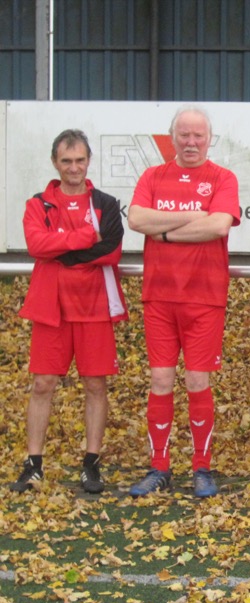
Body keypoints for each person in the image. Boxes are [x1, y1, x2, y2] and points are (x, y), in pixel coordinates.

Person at [126, 107, 241, 498]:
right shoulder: (152, 176)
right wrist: (192, 215)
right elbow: (137, 219)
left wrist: (169, 232)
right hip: (159, 296)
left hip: (204, 296)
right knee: (160, 380)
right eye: (184, 135)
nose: (191, 142)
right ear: (172, 137)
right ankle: (159, 467)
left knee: (197, 380)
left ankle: (201, 466)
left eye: (198, 136)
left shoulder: (223, 178)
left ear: (210, 139)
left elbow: (218, 224)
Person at [11, 129, 127, 494]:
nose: (74, 167)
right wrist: (81, 240)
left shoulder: (105, 203)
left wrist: (60, 250)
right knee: (43, 384)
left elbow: (110, 251)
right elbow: (36, 245)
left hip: (94, 304)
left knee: (95, 384)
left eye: (79, 160)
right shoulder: (38, 204)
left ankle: (91, 463)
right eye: (66, 161)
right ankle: (34, 464)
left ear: (88, 160)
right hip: (51, 306)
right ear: (54, 163)